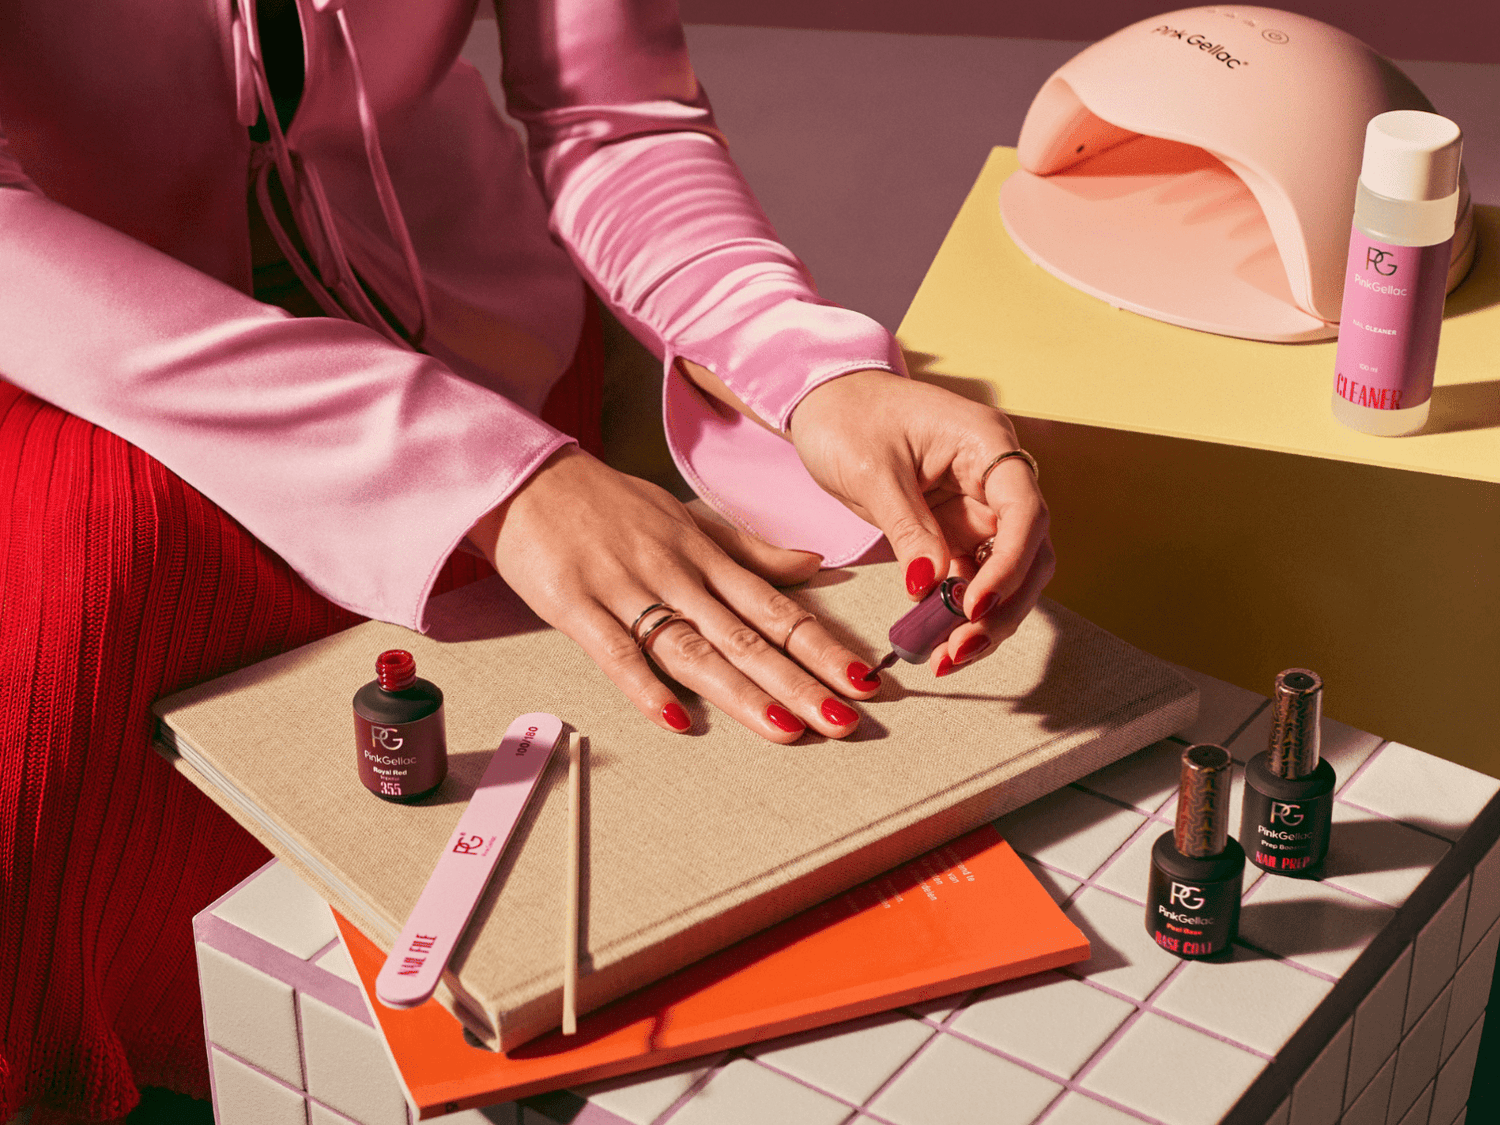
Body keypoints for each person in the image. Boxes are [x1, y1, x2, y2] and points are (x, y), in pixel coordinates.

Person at [0, 0, 1051, 1119]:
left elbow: (615, 117)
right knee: (65, 699)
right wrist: (491, 478)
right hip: (76, 372)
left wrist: (810, 372)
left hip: (475, 329)